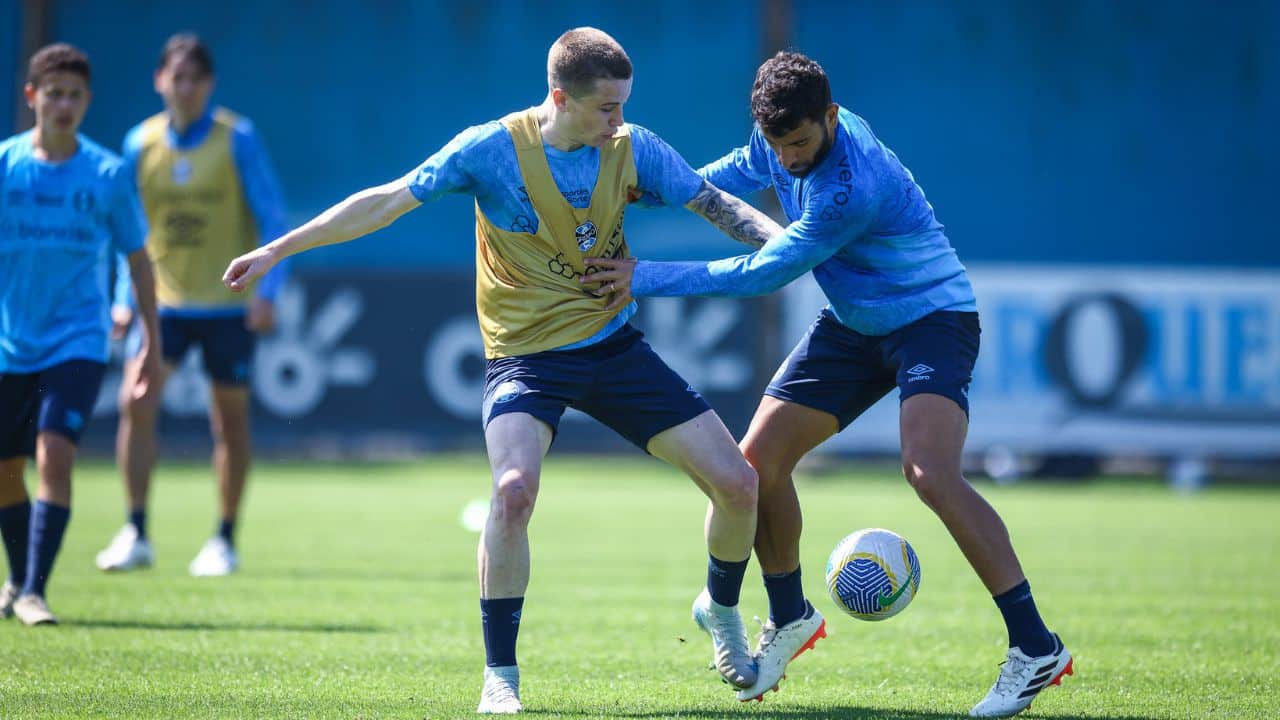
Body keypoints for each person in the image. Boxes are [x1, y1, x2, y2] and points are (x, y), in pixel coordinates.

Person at [220, 28, 792, 715]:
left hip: (612, 348)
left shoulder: (634, 147)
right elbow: (387, 199)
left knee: (738, 484)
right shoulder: (490, 150)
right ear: (561, 97)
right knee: (514, 491)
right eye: (606, 109)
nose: (619, 123)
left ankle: (722, 614)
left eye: (623, 106)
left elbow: (717, 206)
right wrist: (280, 249)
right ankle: (501, 677)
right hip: (525, 361)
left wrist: (796, 249)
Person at [585, 51, 1072, 717]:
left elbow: (759, 272)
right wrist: (666, 186)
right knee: (755, 467)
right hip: (852, 326)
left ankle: (1036, 647)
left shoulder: (850, 188)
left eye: (802, 144)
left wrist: (640, 274)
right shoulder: (781, 133)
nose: (788, 160)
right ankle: (791, 615)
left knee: (929, 472)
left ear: (832, 118)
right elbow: (738, 172)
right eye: (780, 145)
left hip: (932, 319)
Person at [95, 33, 290, 577]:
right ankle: (136, 529)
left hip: (228, 304)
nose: (184, 89)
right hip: (163, 306)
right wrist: (122, 299)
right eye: (175, 78)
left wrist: (268, 291)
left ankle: (224, 539)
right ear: (160, 81)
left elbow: (274, 220)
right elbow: (125, 233)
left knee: (228, 423)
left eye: (194, 79)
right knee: (136, 404)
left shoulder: (237, 139)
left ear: (209, 85)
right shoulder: (140, 144)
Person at [0, 43, 161, 625]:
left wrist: (151, 341)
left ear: (87, 101)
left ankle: (35, 590)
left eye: (74, 95)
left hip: (78, 339)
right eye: (54, 94)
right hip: (10, 342)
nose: (64, 105)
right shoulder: (5, 166)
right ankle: (18, 578)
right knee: (4, 472)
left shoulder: (107, 174)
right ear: (31, 97)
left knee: (54, 455)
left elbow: (139, 260)